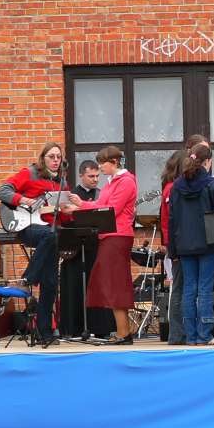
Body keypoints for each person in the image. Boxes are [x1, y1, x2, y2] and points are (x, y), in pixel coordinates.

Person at [0, 142, 73, 346]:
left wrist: (69, 211)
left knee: (50, 283)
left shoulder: (62, 183)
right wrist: (24, 200)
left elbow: (61, 218)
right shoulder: (29, 173)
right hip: (27, 226)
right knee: (49, 235)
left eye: (58, 157)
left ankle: (44, 332)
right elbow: (2, 191)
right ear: (43, 158)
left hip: (50, 234)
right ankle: (28, 278)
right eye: (51, 156)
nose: (55, 160)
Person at [70, 145, 138, 345]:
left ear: (114, 162)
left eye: (102, 164)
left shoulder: (126, 181)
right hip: (109, 236)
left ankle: (124, 333)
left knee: (115, 283)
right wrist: (79, 205)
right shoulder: (111, 182)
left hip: (118, 235)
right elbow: (100, 205)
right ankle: (123, 331)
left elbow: (111, 209)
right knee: (111, 283)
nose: (100, 168)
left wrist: (80, 207)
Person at [168, 144, 214, 345]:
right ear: (208, 162)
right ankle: (205, 335)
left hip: (184, 245)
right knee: (205, 288)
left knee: (189, 289)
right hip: (208, 245)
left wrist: (172, 250)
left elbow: (172, 220)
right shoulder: (213, 186)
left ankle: (191, 335)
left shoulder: (176, 186)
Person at [59, 159, 116, 339]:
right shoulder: (71, 195)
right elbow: (64, 220)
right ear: (81, 175)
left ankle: (100, 328)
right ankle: (73, 328)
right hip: (74, 248)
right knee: (75, 287)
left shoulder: (101, 194)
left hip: (96, 246)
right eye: (91, 176)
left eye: (97, 176)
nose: (95, 179)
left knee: (98, 288)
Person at [160, 149, 188, 344]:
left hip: (174, 242)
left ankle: (177, 333)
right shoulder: (173, 189)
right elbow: (170, 220)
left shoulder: (170, 186)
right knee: (178, 287)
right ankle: (177, 333)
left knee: (179, 286)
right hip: (176, 243)